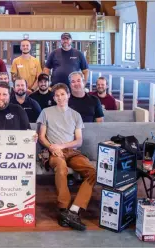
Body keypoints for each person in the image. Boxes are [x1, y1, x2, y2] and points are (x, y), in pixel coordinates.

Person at [37, 83, 96, 231]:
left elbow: (79, 140)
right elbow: (41, 137)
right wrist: (52, 147)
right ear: (54, 98)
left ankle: (73, 210)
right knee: (61, 168)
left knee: (92, 172)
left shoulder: (76, 115)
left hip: (72, 151)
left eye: (63, 94)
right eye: (57, 95)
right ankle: (63, 208)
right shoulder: (46, 112)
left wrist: (62, 146)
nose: (60, 98)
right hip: (53, 151)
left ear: (68, 95)